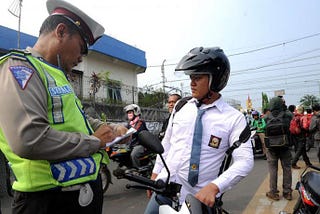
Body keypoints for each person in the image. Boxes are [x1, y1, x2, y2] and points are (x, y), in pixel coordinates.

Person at [0, 0, 129, 213]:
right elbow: (29, 139)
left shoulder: (57, 75)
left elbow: (77, 119)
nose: (81, 58)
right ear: (60, 32)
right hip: (46, 200)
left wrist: (114, 130)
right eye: (81, 48)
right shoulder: (20, 67)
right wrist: (94, 142)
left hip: (77, 195)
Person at [144, 47, 254, 213]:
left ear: (215, 80)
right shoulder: (181, 107)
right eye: (191, 77)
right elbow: (167, 144)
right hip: (165, 189)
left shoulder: (234, 118)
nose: (191, 83)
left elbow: (245, 161)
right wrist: (155, 174)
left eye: (198, 77)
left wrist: (215, 187)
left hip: (198, 200)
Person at [264, 97, 293, 201]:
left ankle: (273, 192)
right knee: (287, 168)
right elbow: (291, 116)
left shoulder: (266, 117)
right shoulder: (287, 115)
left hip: (271, 148)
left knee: (273, 169)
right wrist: (285, 107)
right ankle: (287, 192)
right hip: (285, 145)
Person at [124, 104, 149, 168]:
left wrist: (125, 133)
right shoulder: (130, 124)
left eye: (130, 112)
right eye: (128, 113)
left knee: (134, 155)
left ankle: (137, 170)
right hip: (132, 145)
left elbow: (135, 131)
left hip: (141, 145)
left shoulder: (140, 122)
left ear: (136, 112)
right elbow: (123, 130)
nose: (128, 114)